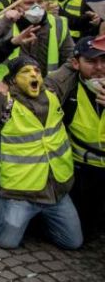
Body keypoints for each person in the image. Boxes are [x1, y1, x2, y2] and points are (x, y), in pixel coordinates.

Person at [0, 36, 83, 250]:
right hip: (20, 195)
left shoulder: (52, 93)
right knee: (7, 241)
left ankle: (35, 219)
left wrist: (83, 52)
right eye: (26, 72)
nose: (34, 75)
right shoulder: (2, 106)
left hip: (56, 192)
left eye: (37, 71)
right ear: (12, 81)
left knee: (73, 242)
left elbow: (69, 68)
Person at [51, 35, 105, 242]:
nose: (99, 68)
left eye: (104, 60)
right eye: (90, 61)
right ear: (76, 63)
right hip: (82, 172)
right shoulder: (69, 89)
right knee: (83, 234)